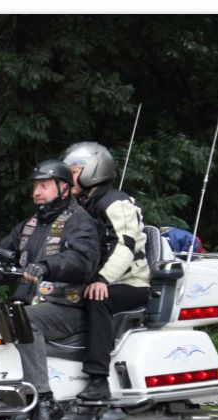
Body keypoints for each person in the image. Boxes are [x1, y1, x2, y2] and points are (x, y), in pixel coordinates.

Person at [0, 159, 101, 420]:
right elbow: (3, 253)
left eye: (44, 185)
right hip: (30, 303)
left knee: (23, 321)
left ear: (64, 187)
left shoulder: (79, 222)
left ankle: (44, 401)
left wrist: (47, 266)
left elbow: (82, 260)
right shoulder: (30, 224)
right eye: (35, 186)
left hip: (66, 306)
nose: (37, 192)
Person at [62, 141, 150, 401]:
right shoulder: (83, 206)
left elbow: (127, 245)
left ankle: (98, 379)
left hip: (131, 282)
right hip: (103, 279)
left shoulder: (115, 202)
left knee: (96, 297)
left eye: (74, 171)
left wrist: (102, 279)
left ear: (93, 171)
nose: (69, 177)